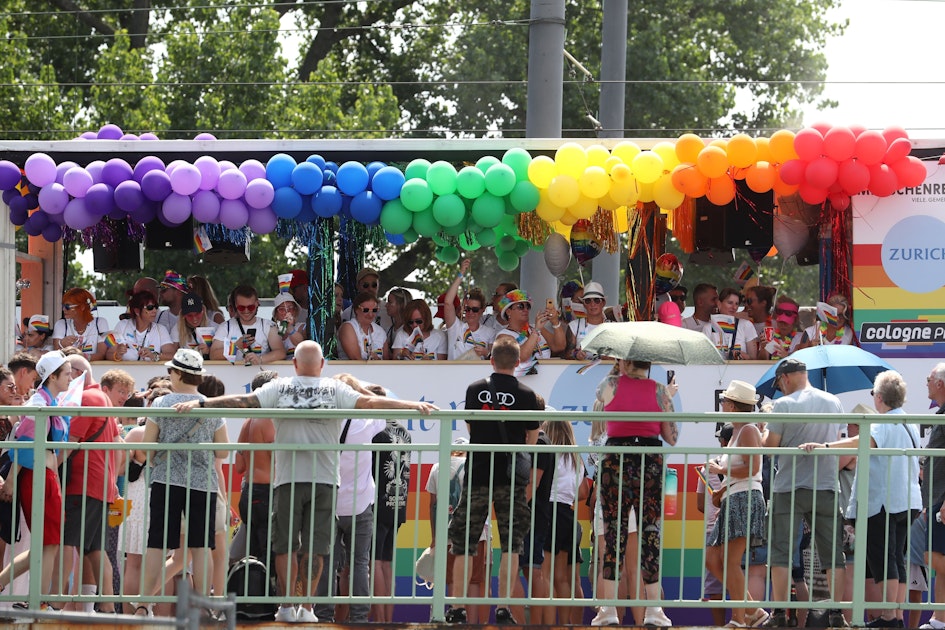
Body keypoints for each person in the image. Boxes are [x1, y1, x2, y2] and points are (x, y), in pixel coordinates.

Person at [172, 340, 437, 623]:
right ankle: (307, 607)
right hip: (324, 481)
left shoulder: (280, 387)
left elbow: (243, 401)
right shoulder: (335, 389)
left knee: (285, 545)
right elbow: (370, 401)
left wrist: (202, 402)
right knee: (317, 547)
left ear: (294, 364)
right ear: (322, 365)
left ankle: (287, 605)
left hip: (287, 480)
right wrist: (411, 404)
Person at [800, 370, 921, 627]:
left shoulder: (883, 423)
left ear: (879, 397)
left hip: (883, 502)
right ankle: (895, 615)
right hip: (906, 501)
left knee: (884, 559)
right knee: (896, 558)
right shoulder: (909, 422)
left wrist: (825, 447)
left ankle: (888, 616)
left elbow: (862, 441)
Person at [446, 336, 540, 625]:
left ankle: (458, 607)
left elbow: (472, 428)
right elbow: (532, 441)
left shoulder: (475, 389)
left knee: (465, 542)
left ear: (491, 360)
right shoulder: (527, 395)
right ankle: (503, 607)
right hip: (511, 478)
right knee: (511, 544)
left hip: (478, 474)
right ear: (519, 362)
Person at [135, 349, 229, 617]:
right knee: (201, 547)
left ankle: (144, 604)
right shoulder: (211, 406)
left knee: (157, 544)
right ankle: (203, 605)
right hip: (202, 482)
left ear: (177, 373)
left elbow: (148, 448)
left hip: (166, 479)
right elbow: (222, 452)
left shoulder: (161, 405)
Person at [592, 358, 677, 628]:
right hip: (649, 461)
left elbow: (601, 402)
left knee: (613, 534)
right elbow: (672, 436)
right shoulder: (660, 391)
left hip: (615, 461)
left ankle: (608, 610)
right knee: (650, 533)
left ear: (625, 361)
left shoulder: (609, 384)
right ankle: (653, 609)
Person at [762, 358, 847, 628]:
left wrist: (766, 430)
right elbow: (839, 439)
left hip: (789, 485)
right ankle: (836, 612)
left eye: (779, 383)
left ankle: (779, 613)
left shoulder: (782, 405)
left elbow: (770, 447)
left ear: (785, 378)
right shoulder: (834, 402)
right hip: (825, 484)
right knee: (833, 554)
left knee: (781, 552)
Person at [0, 351, 72, 607]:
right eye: (66, 373)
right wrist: (10, 480)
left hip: (47, 476)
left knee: (48, 541)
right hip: (38, 477)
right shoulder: (39, 403)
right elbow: (25, 443)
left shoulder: (49, 402)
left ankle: (31, 597)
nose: (71, 377)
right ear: (52, 376)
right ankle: (37, 601)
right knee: (49, 541)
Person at [313, 374, 385, 624]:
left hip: (328, 504)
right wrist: (361, 389)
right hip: (360, 504)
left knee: (326, 564)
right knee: (359, 563)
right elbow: (384, 403)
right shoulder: (365, 421)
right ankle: (358, 618)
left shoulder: (323, 421)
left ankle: (323, 616)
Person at [59, 354, 122, 613]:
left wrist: (47, 467)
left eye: (65, 373)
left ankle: (54, 600)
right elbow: (118, 445)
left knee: (65, 542)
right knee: (94, 549)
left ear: (75, 373)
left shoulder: (86, 398)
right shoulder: (103, 398)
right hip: (101, 484)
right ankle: (106, 606)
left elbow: (67, 444)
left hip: (84, 484)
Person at [705, 381, 769, 627]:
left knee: (729, 561)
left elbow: (753, 468)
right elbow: (743, 470)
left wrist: (720, 469)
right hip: (735, 496)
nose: (722, 406)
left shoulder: (749, 430)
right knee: (713, 559)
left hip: (745, 498)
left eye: (724, 402)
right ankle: (753, 610)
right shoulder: (742, 431)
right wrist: (722, 489)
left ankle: (740, 618)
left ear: (732, 405)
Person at [427, 438, 492, 625]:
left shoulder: (437, 468)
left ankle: (455, 620)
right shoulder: (475, 467)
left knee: (452, 579)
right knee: (473, 580)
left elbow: (433, 505)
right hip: (477, 531)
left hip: (447, 531)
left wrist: (435, 537)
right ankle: (471, 623)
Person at [543, 418, 589, 624]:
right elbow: (582, 492)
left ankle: (549, 623)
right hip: (568, 514)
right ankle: (564, 622)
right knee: (562, 577)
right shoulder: (575, 459)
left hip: (548, 511)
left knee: (545, 575)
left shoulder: (547, 454)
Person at [371, 405, 412, 623]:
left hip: (376, 502)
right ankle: (388, 619)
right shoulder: (405, 432)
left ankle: (379, 620)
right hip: (398, 503)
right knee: (387, 563)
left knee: (374, 562)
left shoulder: (375, 433)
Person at [233, 370, 279, 566]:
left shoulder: (248, 421)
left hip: (248, 494)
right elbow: (279, 461)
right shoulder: (269, 420)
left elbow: (239, 467)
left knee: (252, 557)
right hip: (267, 494)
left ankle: (252, 595)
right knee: (271, 555)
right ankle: (268, 595)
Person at [697, 423, 733, 626]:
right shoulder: (744, 463)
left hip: (713, 530)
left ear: (723, 442)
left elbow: (700, 504)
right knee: (739, 574)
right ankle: (741, 620)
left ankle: (720, 626)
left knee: (714, 586)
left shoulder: (707, 466)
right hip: (739, 528)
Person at [919, 363, 945, 630]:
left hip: (942, 498)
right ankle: (940, 619)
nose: (925, 383)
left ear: (939, 383)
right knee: (937, 558)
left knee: (937, 558)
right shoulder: (942, 412)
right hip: (936, 498)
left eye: (929, 379)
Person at [495, 289, 565, 377]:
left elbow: (559, 347)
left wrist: (555, 322)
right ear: (508, 311)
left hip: (547, 382)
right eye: (521, 306)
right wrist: (536, 331)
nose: (525, 310)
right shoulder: (503, 336)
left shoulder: (535, 328)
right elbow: (522, 357)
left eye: (527, 306)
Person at [210, 284, 285, 365]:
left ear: (257, 304)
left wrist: (260, 359)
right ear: (235, 305)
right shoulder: (225, 327)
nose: (246, 311)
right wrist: (235, 347)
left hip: (261, 376)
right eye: (241, 308)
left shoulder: (268, 326)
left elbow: (281, 352)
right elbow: (213, 355)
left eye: (250, 307)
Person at [443, 260, 495, 360]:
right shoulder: (456, 327)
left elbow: (493, 362)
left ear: (482, 310)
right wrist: (461, 273)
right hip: (454, 374)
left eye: (475, 309)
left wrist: (487, 352)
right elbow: (448, 302)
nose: (470, 312)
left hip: (478, 376)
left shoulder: (489, 332)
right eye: (468, 309)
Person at [108, 290, 175, 362]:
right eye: (150, 307)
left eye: (156, 307)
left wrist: (154, 356)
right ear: (137, 311)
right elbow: (108, 353)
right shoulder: (122, 325)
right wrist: (117, 354)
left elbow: (172, 355)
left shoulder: (160, 329)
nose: (155, 310)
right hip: (126, 372)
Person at [52, 287, 108, 360]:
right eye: (63, 306)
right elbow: (56, 354)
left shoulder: (100, 323)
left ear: (82, 307)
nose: (63, 309)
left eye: (67, 306)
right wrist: (61, 344)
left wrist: (83, 356)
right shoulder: (61, 324)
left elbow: (102, 354)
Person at [702, 288, 758, 360]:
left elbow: (754, 360)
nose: (734, 307)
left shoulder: (746, 325)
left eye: (737, 304)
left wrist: (743, 355)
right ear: (719, 304)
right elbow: (704, 359)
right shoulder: (708, 328)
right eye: (730, 303)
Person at [338, 291, 390, 360]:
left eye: (374, 310)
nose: (370, 314)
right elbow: (356, 359)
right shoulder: (348, 327)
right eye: (366, 310)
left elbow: (387, 360)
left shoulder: (380, 331)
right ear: (356, 310)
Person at [567, 281, 606, 360]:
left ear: (603, 303)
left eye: (596, 300)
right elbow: (567, 353)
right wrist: (576, 354)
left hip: (608, 371)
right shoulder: (574, 326)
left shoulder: (613, 327)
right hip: (580, 371)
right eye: (588, 301)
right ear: (584, 304)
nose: (592, 304)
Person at [172, 292, 213, 357]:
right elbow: (172, 354)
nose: (194, 318)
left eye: (197, 314)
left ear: (203, 310)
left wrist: (209, 351)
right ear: (183, 315)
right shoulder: (177, 329)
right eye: (189, 315)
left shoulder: (214, 327)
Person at [271, 292, 307, 357]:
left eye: (290, 308)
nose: (286, 312)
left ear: (295, 311)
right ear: (276, 314)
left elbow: (301, 344)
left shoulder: (302, 327)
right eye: (282, 309)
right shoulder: (273, 331)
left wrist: (290, 328)